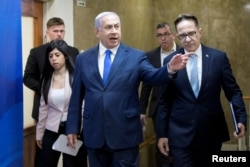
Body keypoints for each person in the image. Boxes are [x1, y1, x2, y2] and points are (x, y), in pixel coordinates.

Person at [65, 11, 192, 167]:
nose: (114, 31)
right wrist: (72, 127)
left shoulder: (135, 56)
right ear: (97, 31)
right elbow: (76, 96)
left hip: (124, 134)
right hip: (94, 134)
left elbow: (153, 76)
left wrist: (170, 68)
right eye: (108, 27)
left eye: (117, 26)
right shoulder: (83, 59)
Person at [156, 13, 247, 167]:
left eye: (191, 33)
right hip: (180, 134)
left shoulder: (218, 58)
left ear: (200, 32)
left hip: (211, 132)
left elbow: (233, 92)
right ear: (177, 36)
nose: (188, 39)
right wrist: (162, 134)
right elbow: (164, 100)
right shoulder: (170, 61)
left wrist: (240, 119)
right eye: (183, 35)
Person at [23, 17, 87, 167]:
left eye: (61, 31)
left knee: (73, 162)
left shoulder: (73, 53)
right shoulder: (37, 52)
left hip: (73, 123)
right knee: (45, 160)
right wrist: (48, 90)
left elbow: (81, 101)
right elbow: (28, 78)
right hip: (49, 118)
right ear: (47, 32)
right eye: (55, 31)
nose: (59, 34)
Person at [36, 39, 84, 167]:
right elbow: (43, 108)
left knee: (71, 164)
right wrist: (39, 133)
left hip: (73, 129)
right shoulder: (47, 79)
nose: (54, 59)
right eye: (50, 56)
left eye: (57, 55)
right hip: (52, 128)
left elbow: (83, 105)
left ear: (66, 56)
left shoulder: (76, 76)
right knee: (46, 163)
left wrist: (78, 129)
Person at [139, 22, 179, 167]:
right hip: (158, 109)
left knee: (178, 145)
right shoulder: (150, 56)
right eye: (160, 35)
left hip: (179, 107)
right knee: (161, 144)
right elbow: (146, 85)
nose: (163, 38)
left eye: (166, 34)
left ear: (173, 35)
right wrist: (142, 110)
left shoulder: (183, 52)